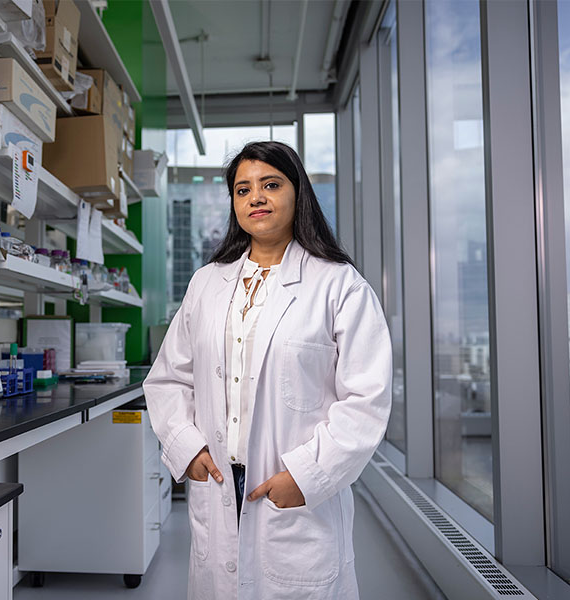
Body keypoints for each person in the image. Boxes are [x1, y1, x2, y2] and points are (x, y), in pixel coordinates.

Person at [143, 141, 392, 600]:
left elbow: (366, 399)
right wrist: (185, 445)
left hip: (290, 487)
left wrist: (307, 475)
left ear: (298, 193)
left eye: (270, 184)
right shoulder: (206, 283)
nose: (255, 197)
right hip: (218, 482)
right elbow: (168, 378)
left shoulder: (338, 285)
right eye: (242, 189)